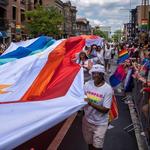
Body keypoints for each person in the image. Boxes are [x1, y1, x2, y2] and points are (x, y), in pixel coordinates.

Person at [82, 64, 113, 150]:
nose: (95, 75)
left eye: (98, 73)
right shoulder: (87, 84)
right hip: (87, 121)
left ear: (102, 74)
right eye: (93, 73)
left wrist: (90, 103)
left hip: (100, 124)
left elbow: (106, 109)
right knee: (89, 144)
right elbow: (82, 98)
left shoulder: (108, 89)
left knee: (97, 147)